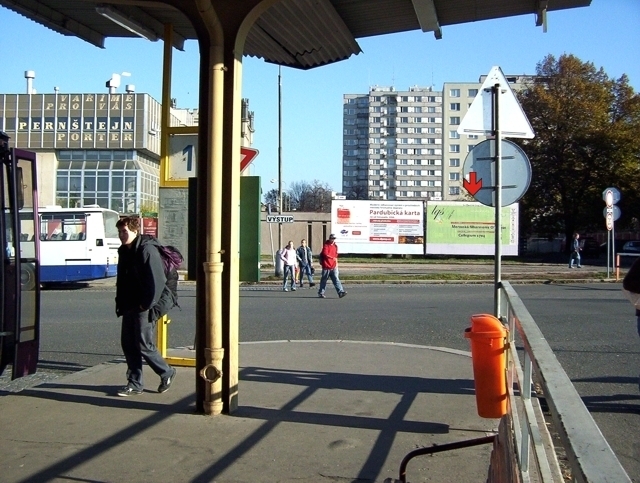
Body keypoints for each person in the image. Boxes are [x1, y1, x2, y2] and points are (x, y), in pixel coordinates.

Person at [114, 216, 176, 397]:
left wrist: (146, 304)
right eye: (119, 232)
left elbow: (157, 281)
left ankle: (166, 372)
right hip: (129, 303)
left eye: (124, 231)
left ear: (135, 231)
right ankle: (134, 384)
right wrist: (121, 302)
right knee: (128, 343)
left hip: (145, 304)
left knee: (143, 344)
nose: (121, 235)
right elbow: (122, 279)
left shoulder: (147, 250)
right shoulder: (124, 251)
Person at [318, 234, 347, 299]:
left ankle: (340, 292)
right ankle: (321, 293)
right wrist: (332, 258)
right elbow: (325, 254)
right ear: (330, 238)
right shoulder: (326, 245)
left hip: (333, 266)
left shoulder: (335, 246)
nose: (333, 240)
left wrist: (336, 264)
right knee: (324, 280)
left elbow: (336, 256)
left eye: (334, 238)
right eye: (332, 238)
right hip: (326, 266)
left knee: (336, 279)